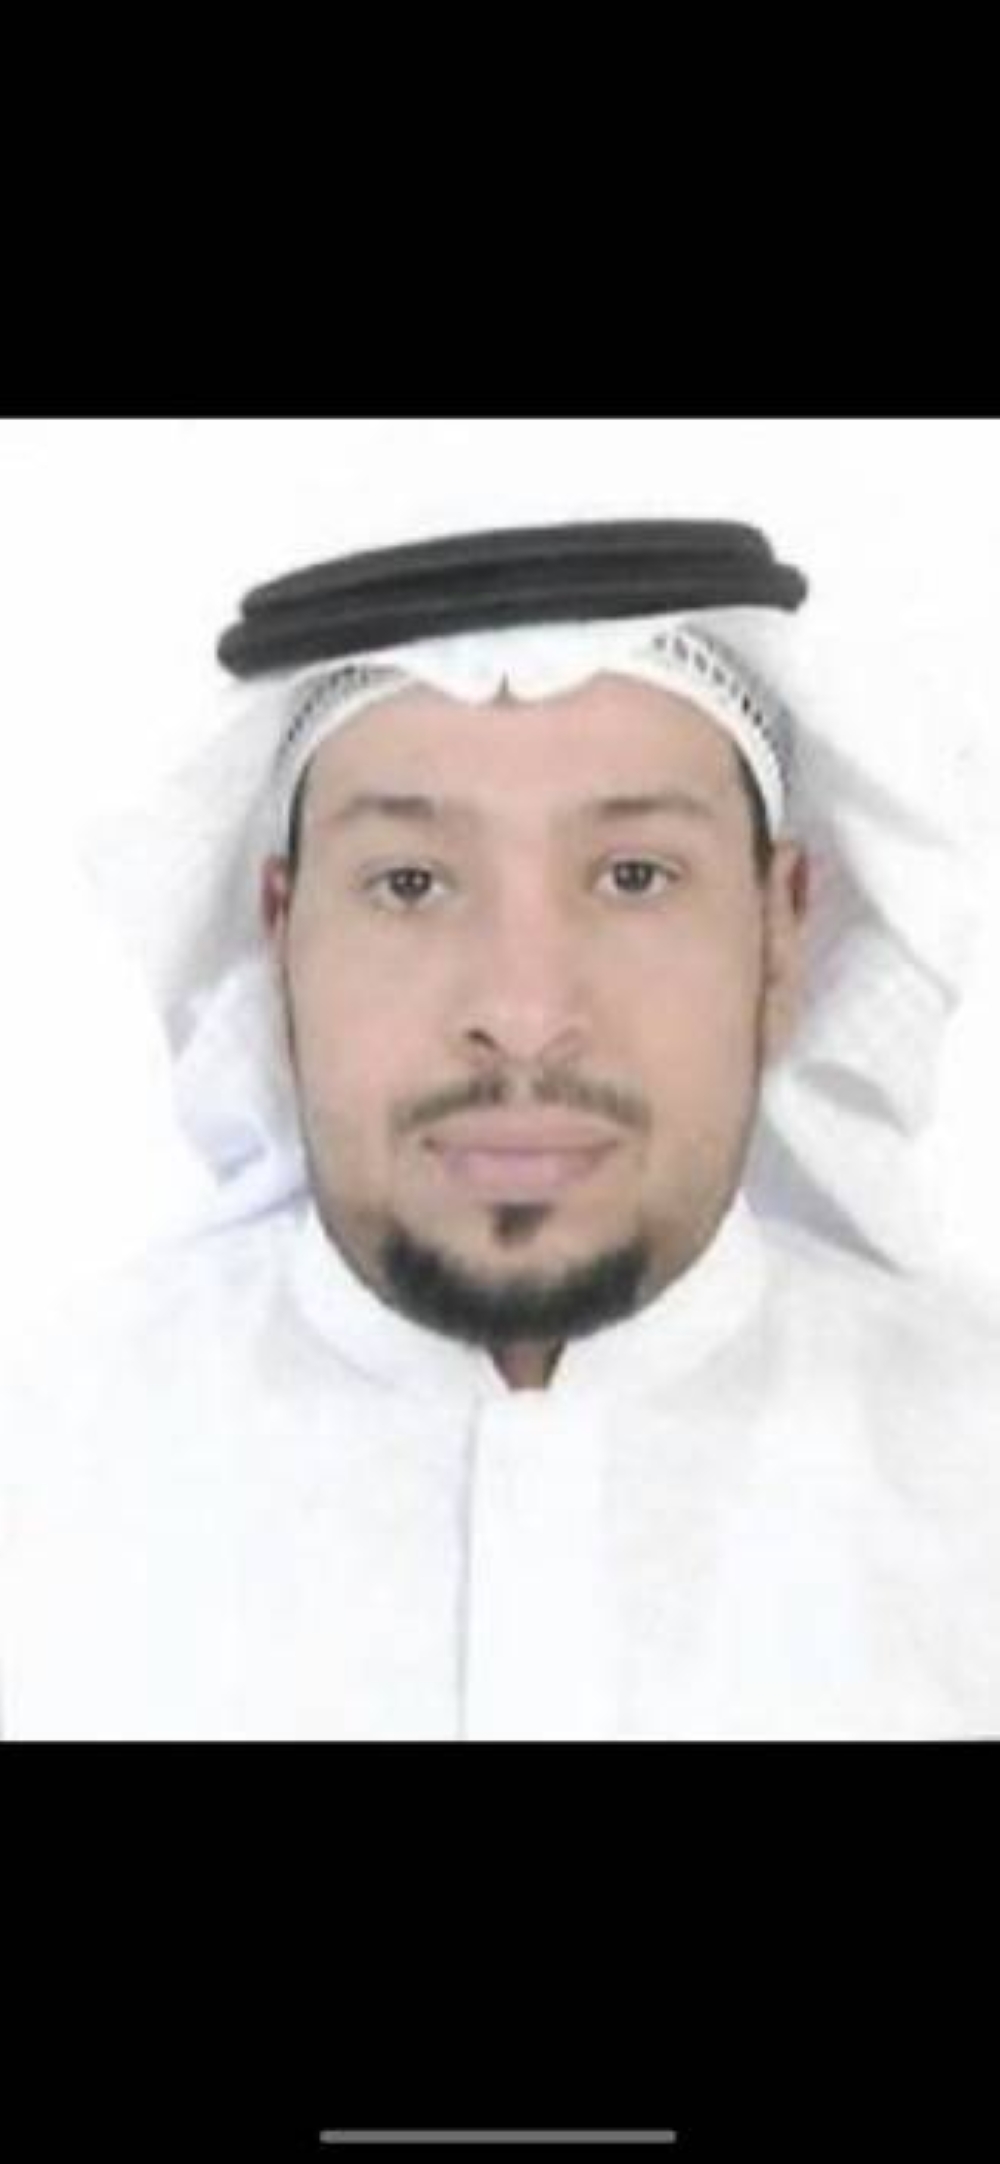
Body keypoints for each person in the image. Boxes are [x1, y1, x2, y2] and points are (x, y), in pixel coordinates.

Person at [3, 520, 998, 1740]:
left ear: (783, 927)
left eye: (634, 875)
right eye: (410, 883)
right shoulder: (38, 1484)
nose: (523, 1015)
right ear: (281, 930)